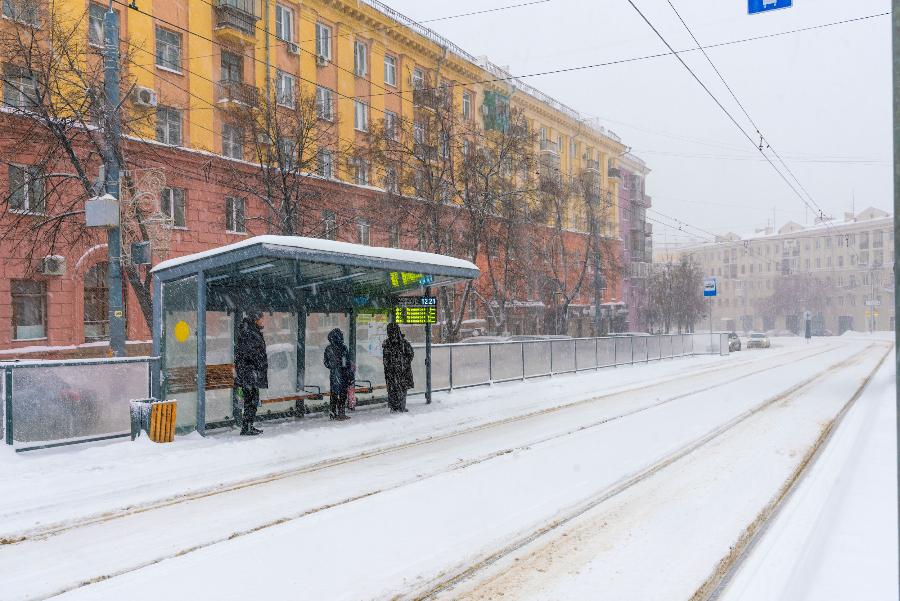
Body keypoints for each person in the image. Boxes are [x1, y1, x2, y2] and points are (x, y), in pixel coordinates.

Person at [235, 312, 268, 436]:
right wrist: (257, 364)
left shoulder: (251, 331)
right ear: (255, 320)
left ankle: (248, 426)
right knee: (251, 400)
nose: (262, 321)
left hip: (249, 372)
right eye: (261, 319)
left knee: (252, 400)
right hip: (249, 373)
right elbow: (249, 353)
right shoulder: (250, 333)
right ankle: (247, 427)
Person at [382, 323, 414, 413]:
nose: (390, 334)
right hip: (394, 372)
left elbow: (410, 355)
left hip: (399, 372)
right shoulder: (392, 343)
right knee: (395, 389)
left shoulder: (401, 343)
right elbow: (410, 354)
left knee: (398, 388)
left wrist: (402, 363)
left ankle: (398, 407)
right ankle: (396, 407)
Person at [324, 328, 352, 420]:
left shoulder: (342, 347)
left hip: (341, 374)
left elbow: (347, 361)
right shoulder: (331, 348)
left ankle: (338, 413)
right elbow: (326, 362)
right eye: (340, 335)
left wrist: (347, 369)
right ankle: (336, 413)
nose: (342, 337)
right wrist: (334, 364)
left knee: (339, 394)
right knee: (337, 394)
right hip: (337, 374)